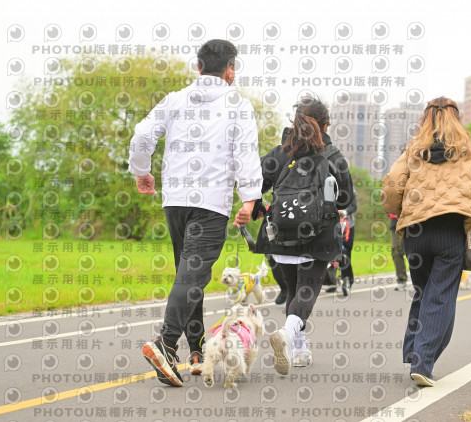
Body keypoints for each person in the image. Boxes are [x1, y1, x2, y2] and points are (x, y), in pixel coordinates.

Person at [130, 39, 263, 387]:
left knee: (189, 276)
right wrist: (250, 198)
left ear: (199, 67)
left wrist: (141, 170)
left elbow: (142, 134)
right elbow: (246, 153)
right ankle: (165, 343)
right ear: (230, 69)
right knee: (192, 277)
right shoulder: (237, 104)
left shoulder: (174, 99)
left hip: (174, 201)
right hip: (210, 203)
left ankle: (196, 351)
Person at [381, 97, 471, 388]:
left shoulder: (413, 150)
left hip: (415, 232)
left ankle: (414, 352)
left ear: (426, 118)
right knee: (441, 296)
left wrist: (397, 209)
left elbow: (392, 184)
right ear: (456, 118)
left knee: (423, 291)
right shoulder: (469, 151)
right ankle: (422, 363)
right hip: (450, 230)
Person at [252, 96, 354, 374]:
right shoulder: (332, 156)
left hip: (280, 233)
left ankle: (299, 349)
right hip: (318, 235)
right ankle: (287, 335)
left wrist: (257, 205)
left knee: (294, 291)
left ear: (294, 122)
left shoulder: (279, 153)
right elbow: (345, 198)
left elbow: (252, 182)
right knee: (306, 291)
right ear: (325, 125)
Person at [389, 213, 408, 290]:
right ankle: (401, 280)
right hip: (396, 225)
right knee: (396, 252)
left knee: (417, 253)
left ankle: (422, 280)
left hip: (415, 223)